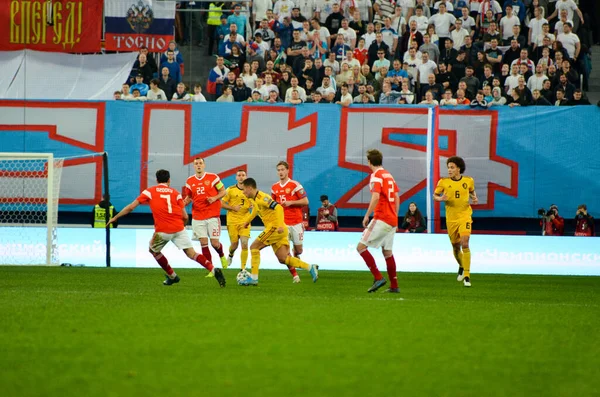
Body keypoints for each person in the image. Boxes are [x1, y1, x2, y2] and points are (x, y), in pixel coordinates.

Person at [106, 169, 226, 287]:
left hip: (163, 230)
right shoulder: (175, 193)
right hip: (179, 228)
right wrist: (182, 227)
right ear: (169, 180)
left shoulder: (149, 192)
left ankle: (172, 276)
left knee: (153, 250)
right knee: (191, 253)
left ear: (157, 180)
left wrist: (115, 217)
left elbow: (131, 207)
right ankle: (213, 269)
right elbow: (184, 216)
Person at [237, 178, 319, 286]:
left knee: (254, 247)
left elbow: (279, 208)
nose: (243, 192)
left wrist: (280, 224)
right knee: (283, 258)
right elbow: (256, 211)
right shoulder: (255, 199)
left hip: (275, 228)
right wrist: (247, 222)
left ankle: (254, 278)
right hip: (277, 229)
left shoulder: (263, 197)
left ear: (249, 188)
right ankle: (310, 267)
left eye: (244, 190)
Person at [357, 149, 400, 294]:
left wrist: (367, 215)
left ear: (369, 161)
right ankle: (394, 286)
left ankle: (378, 277)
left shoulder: (376, 176)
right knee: (387, 252)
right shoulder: (389, 175)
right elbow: (397, 196)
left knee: (361, 247)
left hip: (381, 217)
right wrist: (396, 216)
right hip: (392, 219)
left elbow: (375, 197)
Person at [433, 156, 478, 287]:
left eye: (452, 167)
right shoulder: (443, 182)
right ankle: (461, 266)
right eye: (448, 167)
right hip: (451, 219)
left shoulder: (469, 180)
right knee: (455, 246)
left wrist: (474, 197)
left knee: (465, 242)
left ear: (459, 169)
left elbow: (471, 191)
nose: (449, 170)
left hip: (465, 215)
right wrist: (441, 198)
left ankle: (467, 277)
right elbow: (435, 195)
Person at [183, 158, 229, 277]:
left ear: (204, 165)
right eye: (196, 164)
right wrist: (179, 206)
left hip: (212, 215)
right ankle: (211, 269)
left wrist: (214, 198)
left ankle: (222, 255)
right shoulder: (189, 181)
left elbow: (223, 191)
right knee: (203, 242)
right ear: (194, 166)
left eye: (200, 163)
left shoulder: (213, 178)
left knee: (214, 243)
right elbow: (189, 197)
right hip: (198, 216)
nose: (198, 165)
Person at [271, 161, 309, 283]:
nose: (280, 172)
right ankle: (295, 276)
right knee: (285, 252)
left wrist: (291, 202)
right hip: (283, 224)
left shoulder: (295, 185)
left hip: (297, 222)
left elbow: (305, 201)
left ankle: (296, 254)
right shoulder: (274, 188)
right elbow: (272, 205)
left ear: (287, 170)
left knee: (299, 250)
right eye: (278, 170)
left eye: (282, 170)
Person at [222, 169, 252, 271]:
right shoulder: (230, 190)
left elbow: (255, 202)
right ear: (236, 177)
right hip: (232, 221)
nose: (241, 177)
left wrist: (253, 205)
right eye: (239, 175)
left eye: (243, 175)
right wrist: (233, 208)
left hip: (245, 221)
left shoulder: (249, 190)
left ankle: (243, 269)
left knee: (244, 243)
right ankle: (230, 254)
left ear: (246, 177)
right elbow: (221, 203)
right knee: (234, 245)